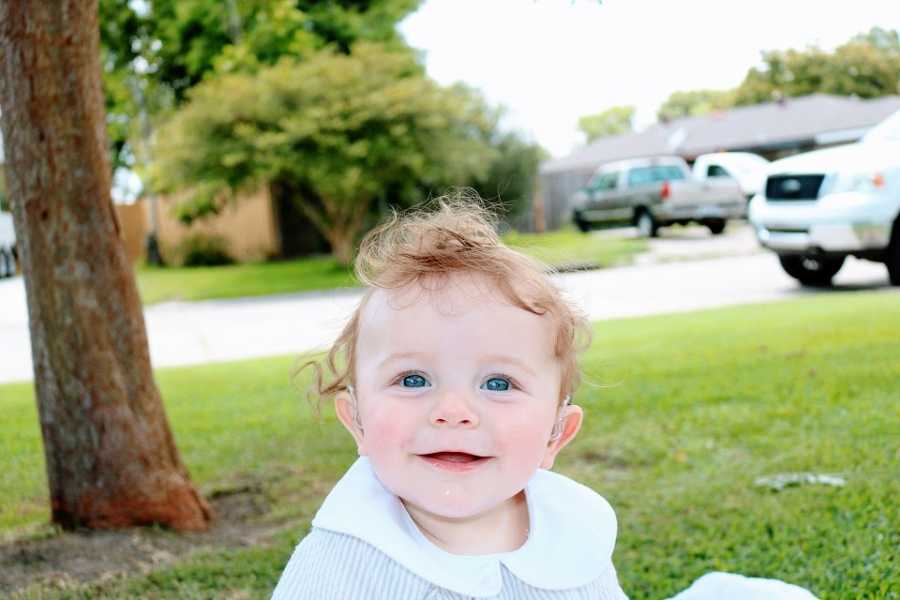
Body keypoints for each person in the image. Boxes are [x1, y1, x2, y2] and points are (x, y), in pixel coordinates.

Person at [273, 196, 628, 599]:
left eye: (498, 383)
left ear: (557, 434)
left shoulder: (575, 534)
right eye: (412, 380)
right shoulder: (336, 564)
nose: (453, 412)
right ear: (357, 423)